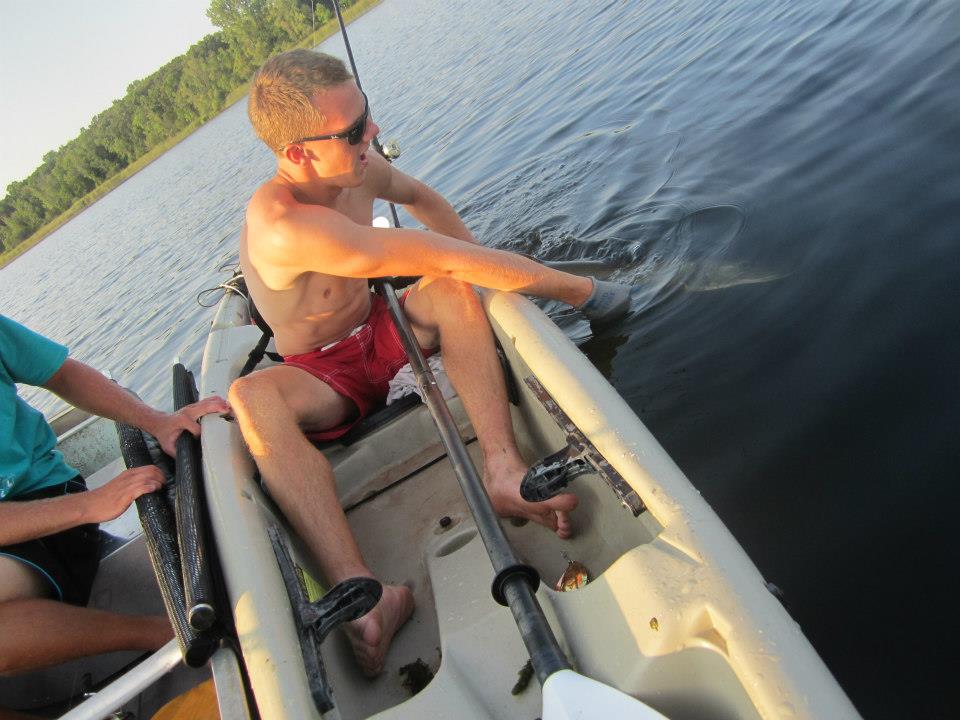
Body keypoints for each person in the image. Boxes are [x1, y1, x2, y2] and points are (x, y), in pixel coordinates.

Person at [229, 49, 631, 678]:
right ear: (298, 153)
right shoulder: (281, 224)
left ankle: (503, 467)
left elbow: (420, 199)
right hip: (321, 373)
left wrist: (481, 269)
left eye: (366, 114)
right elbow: (427, 251)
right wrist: (583, 292)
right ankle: (364, 592)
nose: (373, 133)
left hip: (380, 326)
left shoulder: (357, 170)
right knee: (251, 397)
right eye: (353, 130)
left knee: (453, 287)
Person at [0, 314, 229, 689]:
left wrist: (155, 421)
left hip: (45, 500)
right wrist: (91, 504)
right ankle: (162, 635)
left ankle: (166, 635)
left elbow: (63, 375)